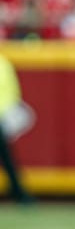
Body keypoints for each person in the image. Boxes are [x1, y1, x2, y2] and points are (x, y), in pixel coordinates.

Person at [0, 52, 35, 206]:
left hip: (2, 118)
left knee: (7, 160)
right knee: (7, 160)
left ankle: (20, 194)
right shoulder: (4, 63)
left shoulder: (3, 64)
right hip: (3, 117)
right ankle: (20, 194)